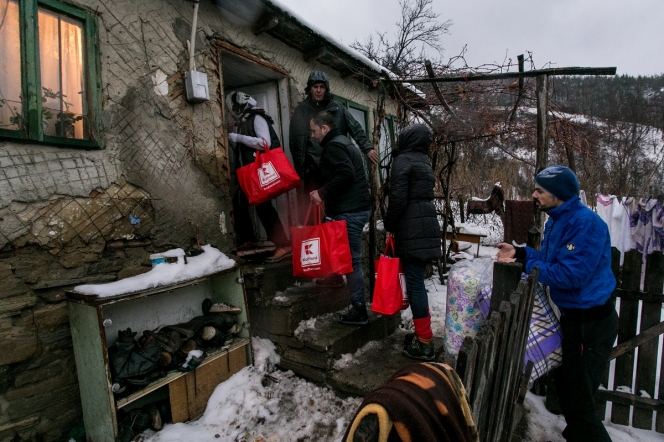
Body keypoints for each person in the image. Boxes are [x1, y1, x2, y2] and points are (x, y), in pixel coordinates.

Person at [496, 165, 618, 442]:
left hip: (591, 322)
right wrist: (522, 252)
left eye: (540, 190)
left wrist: (525, 264)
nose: (534, 194)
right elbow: (553, 261)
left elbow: (570, 275)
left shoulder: (584, 224)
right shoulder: (558, 219)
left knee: (579, 402)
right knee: (568, 390)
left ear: (559, 194)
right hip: (575, 319)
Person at [290, 70, 379, 287]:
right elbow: (295, 141)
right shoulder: (302, 110)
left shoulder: (337, 108)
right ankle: (323, 269)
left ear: (326, 89)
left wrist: (367, 147)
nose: (319, 90)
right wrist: (300, 174)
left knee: (333, 223)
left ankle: (335, 273)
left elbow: (355, 128)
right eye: (315, 87)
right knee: (315, 222)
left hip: (333, 168)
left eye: (322, 86)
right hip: (312, 171)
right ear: (309, 89)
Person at [383, 124, 442, 361]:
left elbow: (397, 198)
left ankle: (425, 342)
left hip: (411, 226)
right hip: (426, 223)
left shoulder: (403, 160)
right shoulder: (424, 161)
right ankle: (422, 335)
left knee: (416, 284)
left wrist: (389, 224)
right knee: (418, 282)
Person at [309, 111, 372, 325]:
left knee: (353, 261)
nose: (312, 135)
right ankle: (336, 280)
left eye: (314, 131)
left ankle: (359, 310)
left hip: (351, 210)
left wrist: (322, 193)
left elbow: (346, 174)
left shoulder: (333, 146)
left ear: (324, 129)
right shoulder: (343, 141)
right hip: (355, 208)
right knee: (344, 255)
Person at [226, 91, 292, 263]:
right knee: (240, 200)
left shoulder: (256, 117)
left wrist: (238, 137)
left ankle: (283, 243)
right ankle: (249, 238)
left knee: (263, 205)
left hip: (259, 170)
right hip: (248, 170)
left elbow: (265, 143)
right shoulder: (244, 121)